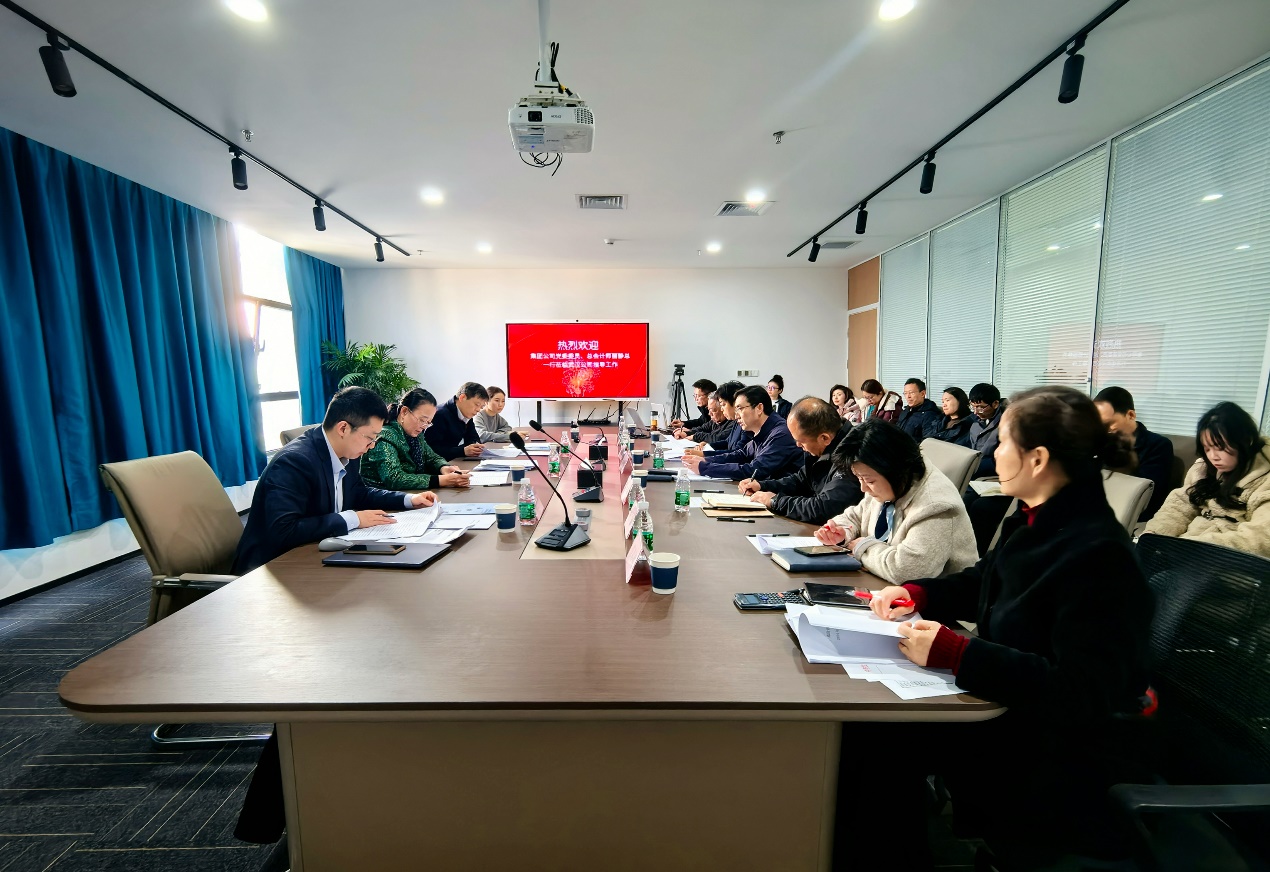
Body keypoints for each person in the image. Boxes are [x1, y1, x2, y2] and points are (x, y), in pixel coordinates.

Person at [837, 386, 1151, 869]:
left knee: (878, 744)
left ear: (1037, 459)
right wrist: (919, 594)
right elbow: (987, 579)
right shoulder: (1039, 519)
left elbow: (1079, 692)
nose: (993, 453)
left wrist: (958, 654)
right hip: (1010, 704)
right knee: (868, 734)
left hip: (1049, 746)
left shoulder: (1099, 554)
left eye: (1003, 442)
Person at [232, 387, 438, 575]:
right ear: (343, 428)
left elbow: (360, 493)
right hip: (270, 569)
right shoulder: (293, 462)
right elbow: (283, 530)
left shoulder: (348, 452)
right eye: (370, 438)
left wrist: (408, 500)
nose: (373, 445)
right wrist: (352, 519)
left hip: (316, 553)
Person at [813, 419, 976, 582]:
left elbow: (907, 570)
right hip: (880, 582)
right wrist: (842, 532)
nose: (863, 488)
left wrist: (862, 547)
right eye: (859, 478)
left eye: (868, 480)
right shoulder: (885, 482)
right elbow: (856, 516)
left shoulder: (936, 505)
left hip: (932, 595)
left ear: (895, 471)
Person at [1144, 401, 1270, 557]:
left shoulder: (1265, 480)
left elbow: (1260, 537)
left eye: (1220, 447)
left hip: (1227, 561)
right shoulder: (1203, 468)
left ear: (1246, 441)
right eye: (1207, 448)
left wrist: (1191, 547)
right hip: (1186, 550)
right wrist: (1154, 534)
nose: (1213, 456)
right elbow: (1179, 506)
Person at [738, 397, 863, 524]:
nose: (798, 445)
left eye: (801, 441)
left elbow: (824, 508)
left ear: (824, 438)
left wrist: (775, 501)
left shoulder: (853, 454)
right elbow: (801, 480)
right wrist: (763, 486)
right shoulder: (822, 445)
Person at [680, 385, 800, 481]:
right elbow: (741, 455)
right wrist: (706, 459)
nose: (736, 415)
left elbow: (754, 470)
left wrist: (705, 467)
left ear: (759, 408)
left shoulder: (780, 434)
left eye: (740, 408)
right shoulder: (763, 429)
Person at [361, 388, 472, 491]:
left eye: (428, 423)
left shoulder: (415, 435)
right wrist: (440, 480)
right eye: (422, 420)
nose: (424, 426)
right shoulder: (385, 436)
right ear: (404, 411)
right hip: (380, 499)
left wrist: (444, 467)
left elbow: (431, 457)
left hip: (410, 494)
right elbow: (394, 478)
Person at [1093, 386, 1174, 521]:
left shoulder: (1158, 445)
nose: (1104, 429)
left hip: (1133, 515)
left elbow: (1148, 494)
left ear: (1130, 415)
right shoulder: (1100, 442)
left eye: (1110, 423)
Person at [423, 382, 487, 460]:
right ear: (462, 397)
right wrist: (462, 451)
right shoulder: (439, 414)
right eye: (477, 404)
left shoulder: (466, 413)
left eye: (481, 407)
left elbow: (473, 437)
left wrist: (475, 446)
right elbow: (431, 449)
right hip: (440, 464)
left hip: (454, 461)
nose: (478, 410)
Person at [686, 380, 750, 455]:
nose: (722, 409)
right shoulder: (737, 422)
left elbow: (739, 454)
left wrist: (704, 454)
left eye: (723, 404)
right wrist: (708, 445)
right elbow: (727, 442)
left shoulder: (746, 425)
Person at [967, 382, 1005, 478]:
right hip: (975, 468)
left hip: (992, 472)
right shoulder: (974, 421)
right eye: (973, 407)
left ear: (995, 404)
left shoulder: (1006, 424)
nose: (975, 412)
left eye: (981, 407)